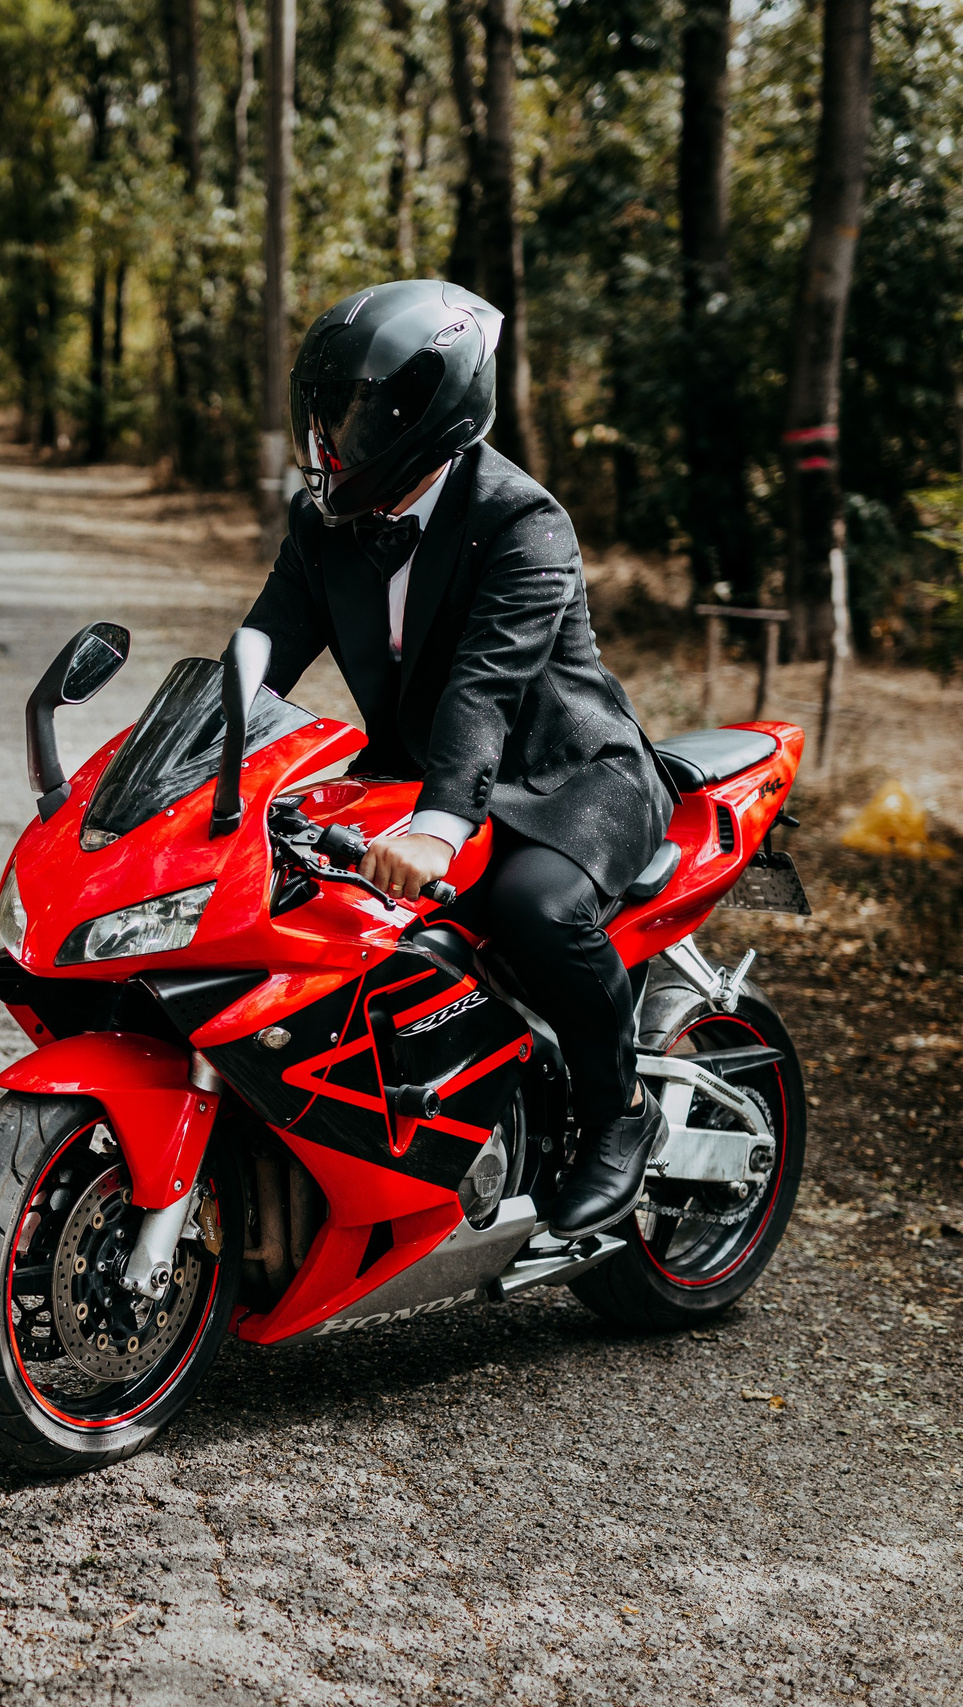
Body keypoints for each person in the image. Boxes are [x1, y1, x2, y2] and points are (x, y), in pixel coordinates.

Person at [241, 280, 674, 1241]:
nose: (329, 440)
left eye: (351, 415)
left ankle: (620, 1114)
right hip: (417, 771)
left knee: (532, 907)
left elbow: (486, 686)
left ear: (423, 412)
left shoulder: (523, 520)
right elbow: (263, 648)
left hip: (568, 777)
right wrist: (199, 751)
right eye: (323, 415)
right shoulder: (323, 522)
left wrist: (438, 827)